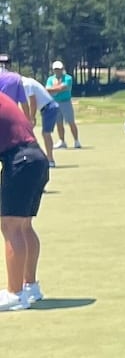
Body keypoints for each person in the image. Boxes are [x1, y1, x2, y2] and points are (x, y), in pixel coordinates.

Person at [0, 91, 51, 310]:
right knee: (23, 226)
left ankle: (15, 295)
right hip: (36, 159)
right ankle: (30, 287)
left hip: (20, 161)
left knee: (10, 226)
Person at [20, 75, 61, 165]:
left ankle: (50, 160)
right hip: (48, 107)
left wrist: (32, 118)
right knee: (46, 134)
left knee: (46, 134)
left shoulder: (26, 84)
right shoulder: (28, 82)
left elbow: (33, 102)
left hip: (49, 107)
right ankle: (49, 159)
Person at [44, 60, 81, 149]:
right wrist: (57, 88)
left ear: (62, 69)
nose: (58, 71)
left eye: (59, 69)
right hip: (55, 103)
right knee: (59, 123)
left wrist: (54, 88)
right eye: (56, 69)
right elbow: (47, 89)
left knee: (71, 122)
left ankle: (76, 141)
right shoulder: (50, 79)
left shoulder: (68, 78)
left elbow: (64, 88)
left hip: (66, 102)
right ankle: (62, 141)